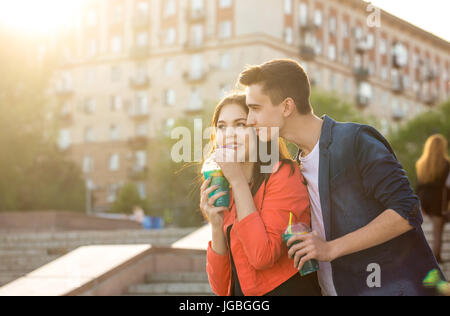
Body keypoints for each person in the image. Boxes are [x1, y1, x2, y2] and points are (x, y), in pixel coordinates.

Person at [237, 58, 445, 296]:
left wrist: (330, 248)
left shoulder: (355, 140)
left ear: (286, 107)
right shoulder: (296, 167)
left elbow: (406, 211)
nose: (250, 119)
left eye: (255, 108)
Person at [200, 93, 322, 296]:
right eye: (221, 127)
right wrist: (215, 224)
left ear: (258, 131)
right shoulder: (225, 189)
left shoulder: (284, 175)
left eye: (240, 124)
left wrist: (238, 181)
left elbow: (262, 256)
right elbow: (222, 288)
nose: (229, 134)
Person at [416, 134, 450, 263]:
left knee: (423, 230)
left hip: (423, 198)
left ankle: (422, 256)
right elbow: (447, 185)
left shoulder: (421, 163)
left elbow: (418, 184)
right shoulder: (446, 164)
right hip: (438, 199)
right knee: (437, 231)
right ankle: (436, 256)